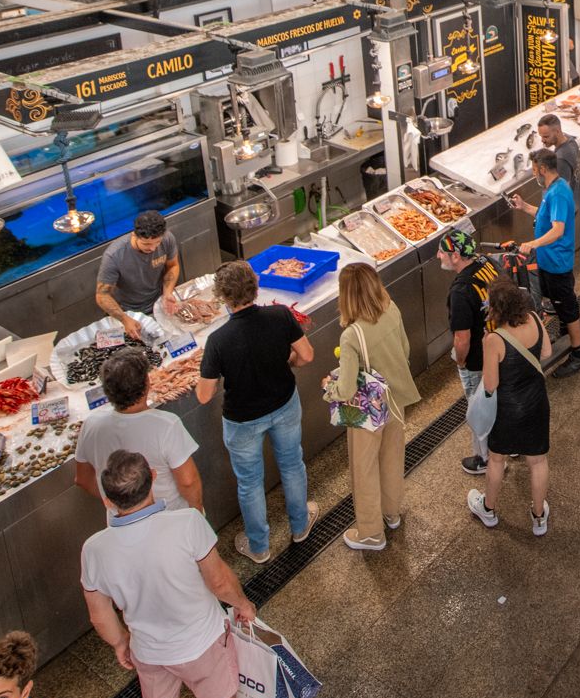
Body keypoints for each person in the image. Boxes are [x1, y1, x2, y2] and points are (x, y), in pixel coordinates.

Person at [81, 450, 254, 698]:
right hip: (202, 642)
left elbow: (99, 616)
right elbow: (219, 582)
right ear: (153, 478)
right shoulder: (187, 522)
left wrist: (120, 642)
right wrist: (243, 604)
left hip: (149, 651)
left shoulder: (93, 549)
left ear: (108, 501)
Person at [195, 260, 313, 563]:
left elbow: (205, 395)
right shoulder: (280, 315)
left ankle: (259, 547)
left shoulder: (218, 341)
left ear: (223, 297)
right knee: (291, 464)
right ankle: (300, 527)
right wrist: (288, 363)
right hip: (284, 404)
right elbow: (307, 355)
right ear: (255, 286)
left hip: (243, 420)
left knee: (250, 482)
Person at [327, 262, 422, 550]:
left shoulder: (352, 335)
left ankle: (370, 533)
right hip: (395, 399)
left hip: (368, 411)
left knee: (364, 468)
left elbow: (345, 389)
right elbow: (405, 350)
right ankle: (391, 513)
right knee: (392, 457)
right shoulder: (391, 309)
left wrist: (328, 389)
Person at [467, 279, 553, 536]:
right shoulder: (535, 320)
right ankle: (539, 517)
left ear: (496, 310)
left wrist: (486, 349)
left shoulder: (494, 339)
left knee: (496, 458)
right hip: (536, 400)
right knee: (537, 462)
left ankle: (489, 509)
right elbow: (546, 351)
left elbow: (491, 384)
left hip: (508, 408)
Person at [75, 351, 202, 516]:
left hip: (121, 523)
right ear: (147, 384)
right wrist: (198, 511)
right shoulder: (166, 424)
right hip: (172, 517)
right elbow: (188, 481)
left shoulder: (91, 424)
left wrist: (121, 504)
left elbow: (82, 479)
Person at [517, 148, 580, 376]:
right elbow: (547, 217)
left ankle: (578, 355)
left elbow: (558, 230)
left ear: (543, 169)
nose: (533, 173)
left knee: (567, 307)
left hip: (557, 263)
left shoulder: (558, 192)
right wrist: (524, 207)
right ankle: (567, 331)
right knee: (556, 302)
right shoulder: (552, 189)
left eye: (534, 169)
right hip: (548, 262)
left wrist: (533, 244)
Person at [440, 232, 503, 477]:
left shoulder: (460, 291)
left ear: (455, 256)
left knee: (480, 410)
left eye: (442, 252)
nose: (438, 256)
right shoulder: (486, 263)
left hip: (479, 358)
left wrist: (462, 360)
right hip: (500, 345)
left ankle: (485, 458)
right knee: (500, 399)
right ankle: (509, 445)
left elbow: (462, 338)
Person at [96, 211, 183, 340]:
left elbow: (173, 266)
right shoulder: (114, 256)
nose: (153, 248)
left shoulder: (167, 239)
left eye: (157, 242)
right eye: (147, 244)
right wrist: (125, 319)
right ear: (134, 235)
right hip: (128, 312)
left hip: (158, 305)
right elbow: (102, 295)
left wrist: (167, 292)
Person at [535, 114, 580, 205]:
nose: (542, 140)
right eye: (541, 136)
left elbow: (558, 192)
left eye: (546, 137)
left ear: (557, 131)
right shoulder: (570, 140)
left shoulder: (560, 160)